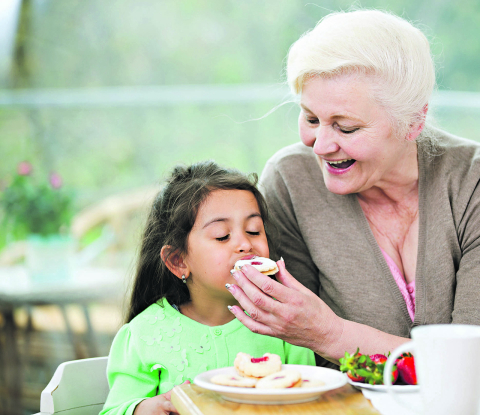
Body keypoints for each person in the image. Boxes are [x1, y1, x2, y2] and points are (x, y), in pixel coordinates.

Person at [225, 9, 480, 368]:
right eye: (311, 119)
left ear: (413, 122)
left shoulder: (472, 182)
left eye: (346, 128)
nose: (321, 145)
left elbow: (469, 366)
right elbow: (290, 359)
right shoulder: (290, 181)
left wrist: (330, 334)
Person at [100, 161, 315, 415]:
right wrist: (146, 409)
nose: (245, 244)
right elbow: (114, 410)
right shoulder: (142, 334)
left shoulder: (287, 324)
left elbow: (309, 401)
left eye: (254, 230)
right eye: (222, 236)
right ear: (178, 261)